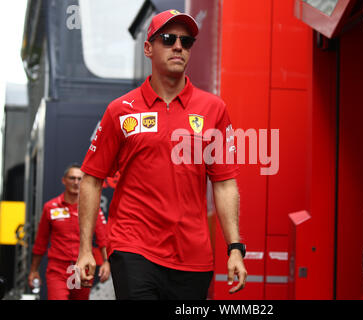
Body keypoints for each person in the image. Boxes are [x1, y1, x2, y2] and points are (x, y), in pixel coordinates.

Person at [76, 9, 247, 300]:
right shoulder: (121, 110)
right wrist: (84, 250)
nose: (178, 46)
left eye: (186, 41)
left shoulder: (213, 109)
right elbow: (91, 180)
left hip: (193, 257)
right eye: (168, 39)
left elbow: (224, 183)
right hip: (134, 248)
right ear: (148, 48)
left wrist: (235, 248)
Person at [28, 164, 110, 300]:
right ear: (64, 180)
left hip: (82, 268)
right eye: (72, 178)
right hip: (58, 269)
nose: (76, 182)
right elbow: (40, 242)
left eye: (80, 179)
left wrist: (106, 262)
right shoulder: (51, 207)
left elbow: (103, 238)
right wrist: (34, 270)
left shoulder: (92, 209)